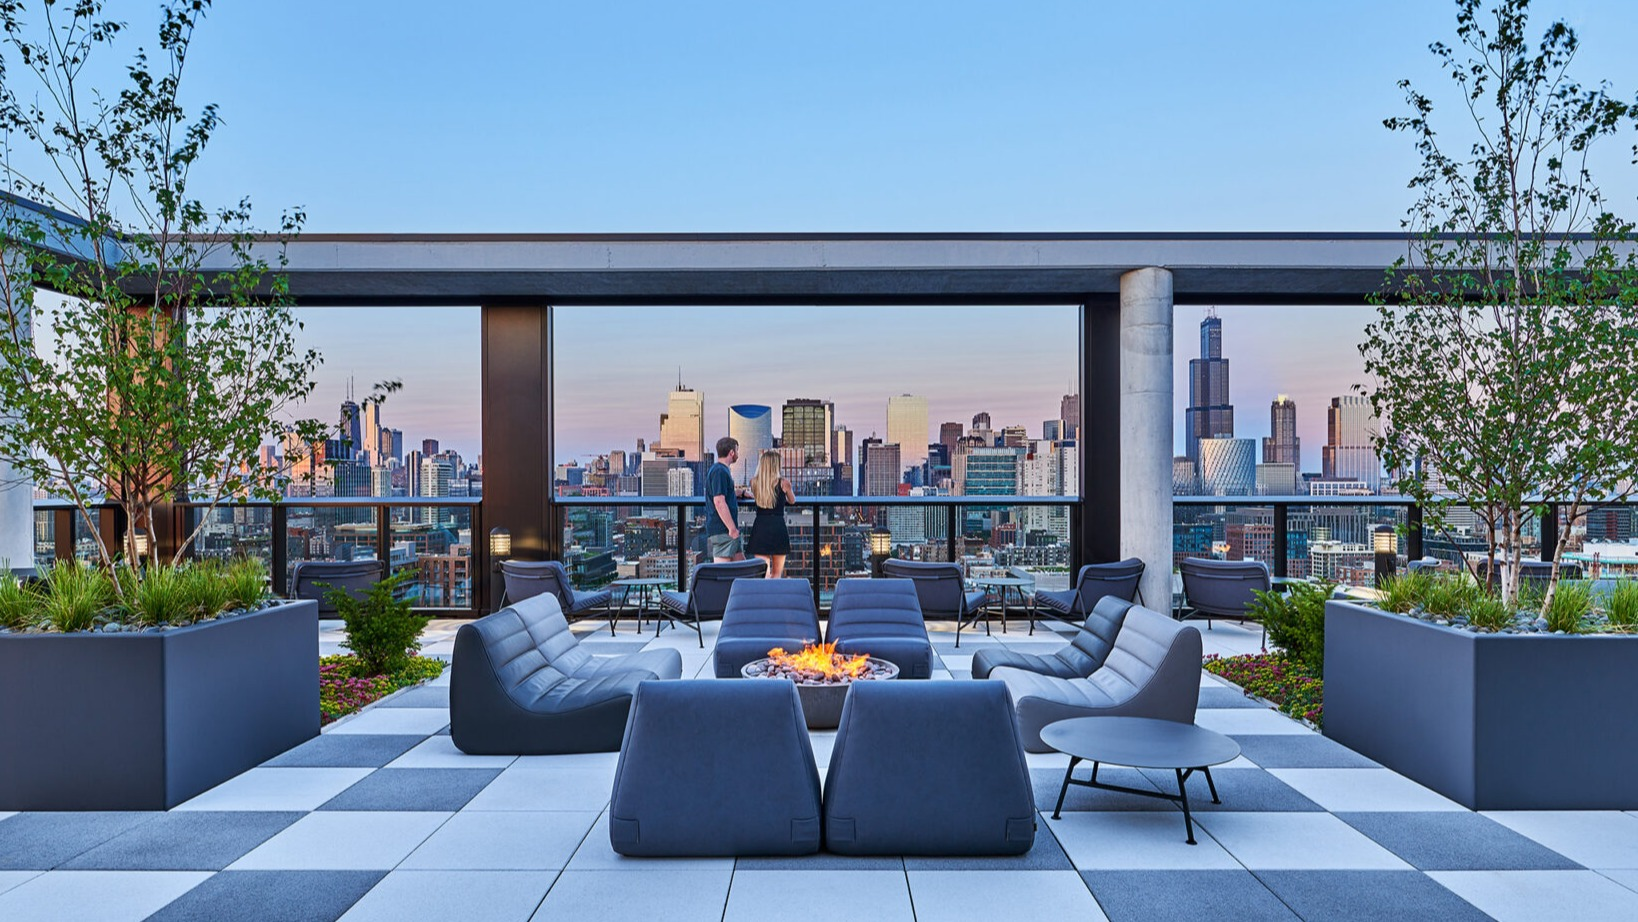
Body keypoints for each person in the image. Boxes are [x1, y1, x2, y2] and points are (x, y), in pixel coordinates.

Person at [744, 450, 797, 577]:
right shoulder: (784, 483)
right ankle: (775, 596)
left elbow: (758, 497)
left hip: (760, 526)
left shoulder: (754, 482)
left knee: (764, 574)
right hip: (778, 526)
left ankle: (764, 596)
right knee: (776, 574)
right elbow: (792, 500)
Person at [704, 436, 743, 562]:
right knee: (723, 572)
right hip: (723, 530)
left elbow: (723, 493)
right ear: (732, 452)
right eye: (737, 450)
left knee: (742, 568)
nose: (737, 454)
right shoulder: (719, 471)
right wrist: (732, 528)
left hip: (727, 531)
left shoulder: (720, 470)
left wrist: (739, 493)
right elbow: (719, 501)